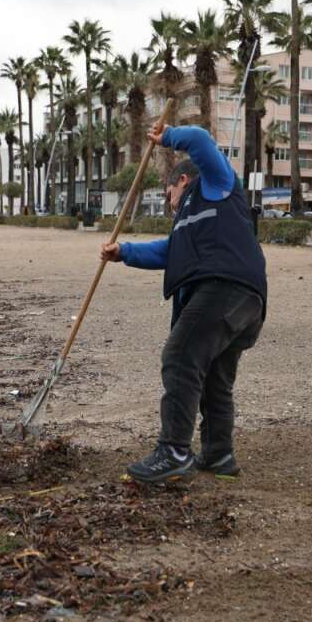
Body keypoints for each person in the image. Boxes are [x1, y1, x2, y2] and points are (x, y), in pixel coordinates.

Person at [100, 121, 267, 483]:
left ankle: (174, 451)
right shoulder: (187, 223)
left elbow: (200, 140)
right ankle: (219, 456)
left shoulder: (218, 187)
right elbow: (169, 251)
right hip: (244, 301)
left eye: (168, 192)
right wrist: (123, 253)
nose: (168, 201)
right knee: (214, 380)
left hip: (226, 288)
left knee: (179, 357)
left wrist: (167, 138)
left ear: (182, 181)